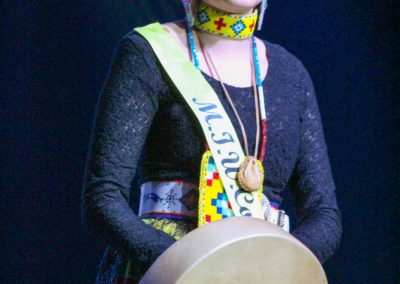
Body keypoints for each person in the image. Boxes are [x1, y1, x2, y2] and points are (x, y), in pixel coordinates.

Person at [81, 0, 342, 283]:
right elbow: (103, 198)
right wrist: (188, 265)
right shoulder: (149, 51)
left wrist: (276, 266)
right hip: (167, 269)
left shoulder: (292, 75)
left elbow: (324, 215)